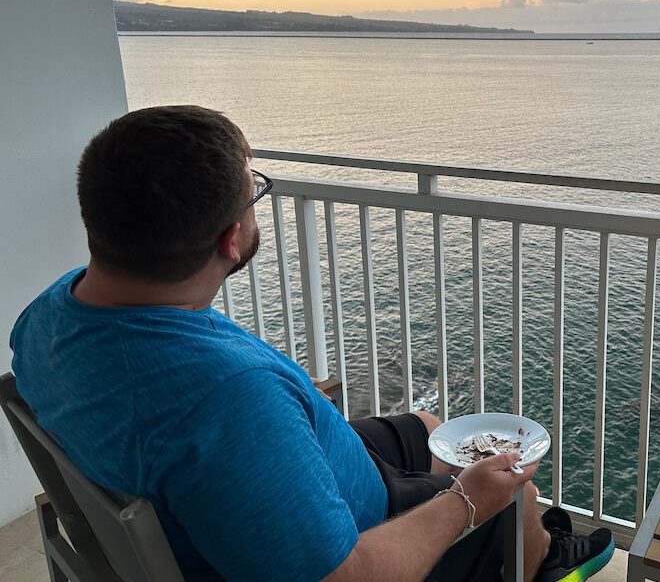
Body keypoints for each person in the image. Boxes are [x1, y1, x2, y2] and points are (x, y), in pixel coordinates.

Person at [9, 106, 614, 582]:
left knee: (428, 425)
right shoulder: (227, 403)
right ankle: (544, 564)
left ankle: (525, 531)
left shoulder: (49, 314)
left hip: (277, 479)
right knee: (513, 493)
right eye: (253, 195)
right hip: (351, 542)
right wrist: (466, 503)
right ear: (229, 239)